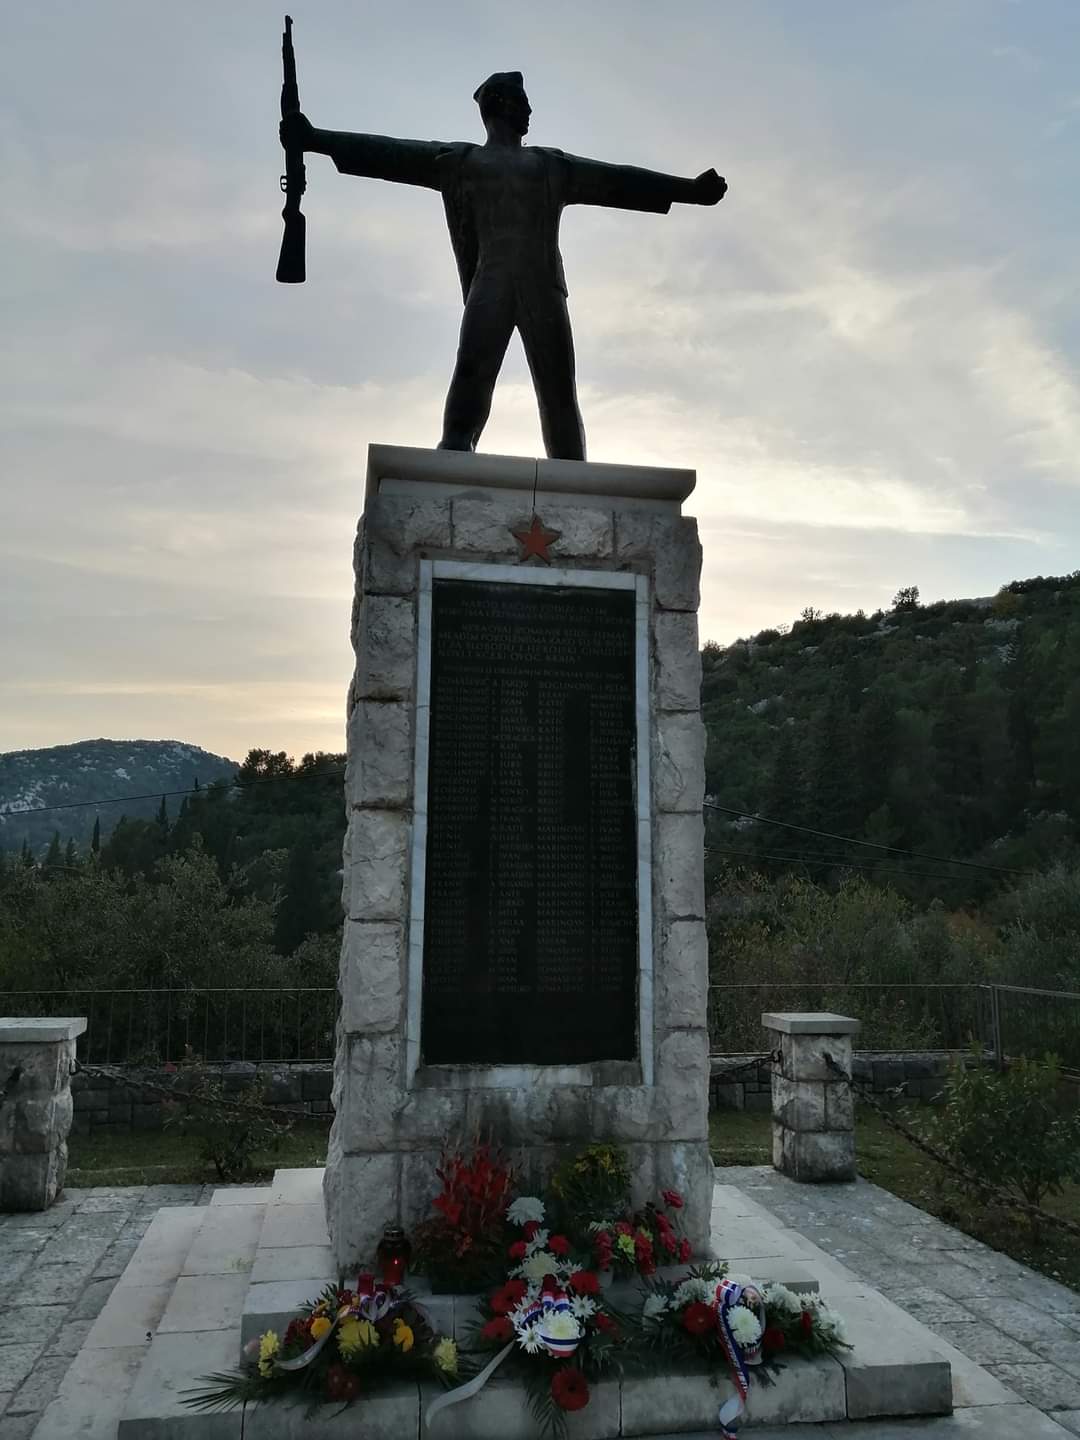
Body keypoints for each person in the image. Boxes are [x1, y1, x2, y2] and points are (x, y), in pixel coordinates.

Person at [281, 71, 726, 461]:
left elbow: (619, 180)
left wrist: (688, 190)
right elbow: (388, 153)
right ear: (499, 105)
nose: (530, 111)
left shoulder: (550, 164)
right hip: (491, 280)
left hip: (542, 286)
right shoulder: (460, 161)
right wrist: (317, 139)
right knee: (471, 373)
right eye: (522, 102)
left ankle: (572, 473)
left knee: (558, 389)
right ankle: (454, 456)